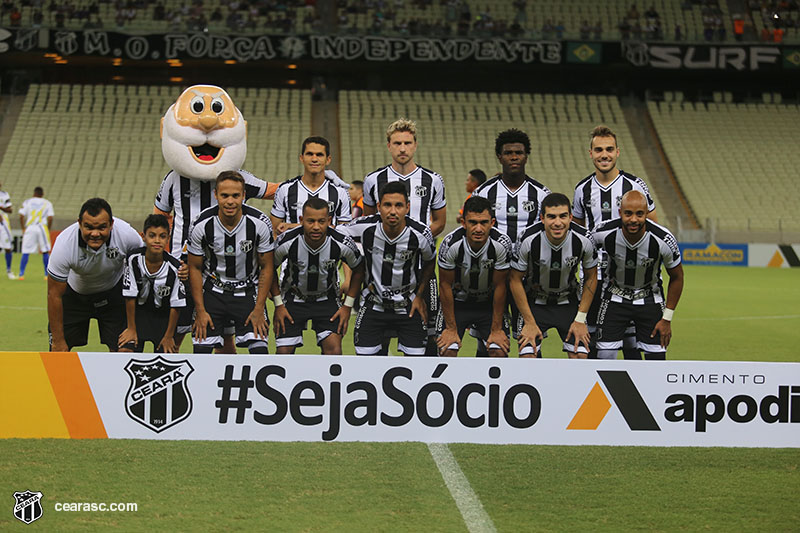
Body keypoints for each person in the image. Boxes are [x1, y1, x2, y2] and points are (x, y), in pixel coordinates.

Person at [572, 125, 658, 360]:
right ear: (590, 153)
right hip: (594, 275)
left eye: (609, 149)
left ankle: (633, 393)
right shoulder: (582, 189)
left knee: (630, 341)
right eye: (598, 150)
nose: (604, 155)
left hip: (627, 276)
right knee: (591, 337)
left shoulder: (635, 185)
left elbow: (652, 228)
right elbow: (579, 233)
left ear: (617, 152)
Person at [361, 118, 447, 354]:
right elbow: (368, 224)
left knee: (428, 331)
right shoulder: (373, 180)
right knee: (380, 331)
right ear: (388, 145)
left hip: (422, 268)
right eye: (397, 143)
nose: (402, 148)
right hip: (383, 270)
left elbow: (439, 221)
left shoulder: (433, 180)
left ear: (415, 145)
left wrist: (417, 240)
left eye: (407, 143)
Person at [342, 181, 435, 356]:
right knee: (366, 366)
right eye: (387, 205)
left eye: (398, 205)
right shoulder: (364, 227)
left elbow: (430, 262)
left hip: (408, 306)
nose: (393, 211)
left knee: (417, 365)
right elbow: (331, 233)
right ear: (378, 207)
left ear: (407, 207)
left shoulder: (421, 234)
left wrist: (420, 296)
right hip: (373, 305)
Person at [187, 171, 275, 354]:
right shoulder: (201, 224)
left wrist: (259, 308)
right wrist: (200, 310)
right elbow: (194, 268)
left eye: (235, 196)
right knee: (201, 354)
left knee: (260, 353)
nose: (230, 201)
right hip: (212, 293)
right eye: (224, 195)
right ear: (216, 195)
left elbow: (267, 266)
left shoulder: (259, 223)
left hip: (248, 292)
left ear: (244, 195)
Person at [590, 191, 683, 360]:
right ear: (620, 213)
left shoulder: (663, 239)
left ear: (647, 214)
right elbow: (582, 253)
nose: (633, 219)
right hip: (614, 298)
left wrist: (667, 319)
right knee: (604, 356)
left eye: (639, 214)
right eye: (628, 213)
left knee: (656, 361)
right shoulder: (602, 233)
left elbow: (677, 277)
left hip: (650, 299)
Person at [47, 198, 144, 352]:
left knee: (126, 351)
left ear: (111, 224)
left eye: (102, 227)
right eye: (89, 227)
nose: (95, 233)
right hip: (75, 297)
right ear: (79, 223)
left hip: (114, 296)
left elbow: (147, 262)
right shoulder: (64, 244)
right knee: (58, 353)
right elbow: (54, 295)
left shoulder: (127, 235)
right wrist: (58, 341)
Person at [271, 197, 365, 354]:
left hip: (326, 299)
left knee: (334, 350)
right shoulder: (287, 242)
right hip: (293, 299)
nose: (316, 227)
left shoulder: (341, 242)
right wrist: (278, 303)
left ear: (329, 220)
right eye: (310, 221)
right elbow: (269, 268)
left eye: (321, 221)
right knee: (283, 353)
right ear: (301, 220)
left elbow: (359, 269)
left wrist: (348, 306)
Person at [509, 193, 598, 359]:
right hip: (534, 303)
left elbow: (591, 277)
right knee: (528, 357)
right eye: (551, 217)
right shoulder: (528, 239)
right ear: (542, 218)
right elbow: (514, 280)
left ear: (571, 217)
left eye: (563, 216)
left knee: (580, 356)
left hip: (568, 302)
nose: (558, 223)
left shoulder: (584, 239)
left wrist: (580, 319)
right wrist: (529, 321)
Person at [437, 196, 512, 357]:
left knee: (499, 350)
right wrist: (450, 329)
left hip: (488, 305)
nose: (478, 229)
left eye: (484, 223)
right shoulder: (450, 244)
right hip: (458, 304)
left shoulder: (501, 244)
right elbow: (444, 285)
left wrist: (497, 329)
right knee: (447, 349)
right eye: (473, 223)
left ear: (492, 223)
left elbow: (500, 286)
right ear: (463, 223)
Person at [118, 214, 186, 353]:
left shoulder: (175, 267)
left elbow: (176, 305)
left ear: (168, 238)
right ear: (143, 236)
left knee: (167, 358)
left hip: (163, 319)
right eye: (152, 235)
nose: (157, 241)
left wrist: (168, 336)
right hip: (137, 316)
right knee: (124, 353)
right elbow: (129, 295)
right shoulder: (133, 259)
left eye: (162, 236)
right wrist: (131, 328)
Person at [472, 129, 550, 244]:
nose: (514, 157)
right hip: (494, 260)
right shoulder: (483, 193)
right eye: (508, 153)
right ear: (499, 157)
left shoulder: (542, 194)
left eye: (519, 153)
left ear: (526, 157)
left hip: (529, 260)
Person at [270, 136, 352, 237]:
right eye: (309, 154)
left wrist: (293, 226)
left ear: (328, 159)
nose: (314, 159)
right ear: (301, 158)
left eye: (319, 155)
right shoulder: (285, 189)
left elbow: (346, 231)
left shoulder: (340, 192)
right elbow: (275, 230)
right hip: (293, 252)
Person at [17, 187, 54, 281]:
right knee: (45, 251)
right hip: (42, 227)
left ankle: (21, 274)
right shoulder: (47, 203)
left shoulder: (27, 202)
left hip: (30, 227)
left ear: (34, 193)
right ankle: (46, 274)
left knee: (25, 251)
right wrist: (48, 229)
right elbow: (50, 217)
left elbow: (21, 215)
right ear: (42, 194)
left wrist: (23, 228)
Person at [0, 181, 14, 278]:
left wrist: (1, 208)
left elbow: (10, 210)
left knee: (8, 248)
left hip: (3, 224)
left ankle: (9, 271)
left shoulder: (4, 195)